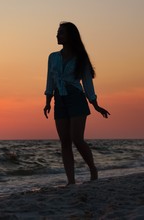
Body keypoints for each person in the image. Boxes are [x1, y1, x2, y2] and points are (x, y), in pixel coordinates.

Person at [43, 21, 110, 185]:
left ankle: (92, 168)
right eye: (57, 32)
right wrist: (48, 102)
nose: (57, 35)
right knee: (65, 142)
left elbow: (87, 83)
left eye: (61, 32)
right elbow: (49, 81)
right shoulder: (53, 57)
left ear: (70, 36)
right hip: (60, 100)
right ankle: (70, 181)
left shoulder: (80, 58)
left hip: (76, 99)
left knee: (77, 139)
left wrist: (95, 105)